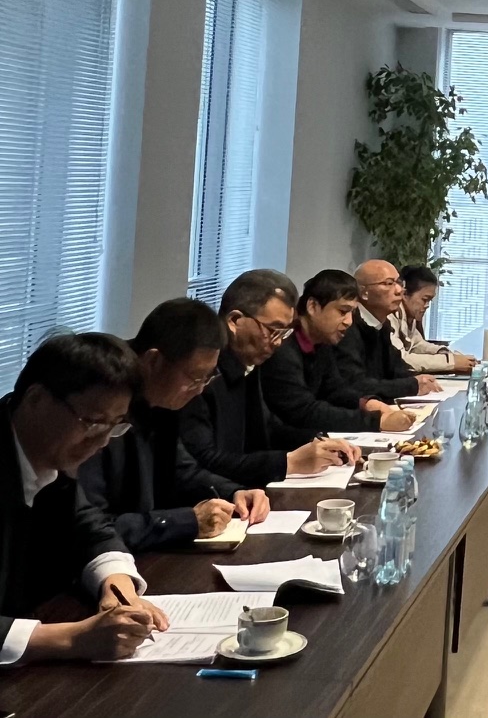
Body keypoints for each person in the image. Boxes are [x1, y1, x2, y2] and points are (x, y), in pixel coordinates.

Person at [2, 332, 170, 663]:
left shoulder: (49, 457)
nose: (103, 441)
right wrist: (70, 639)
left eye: (115, 425)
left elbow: (89, 525)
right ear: (36, 399)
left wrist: (115, 583)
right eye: (93, 423)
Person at [78, 299, 270, 550]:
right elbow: (89, 524)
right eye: (194, 378)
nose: (199, 390)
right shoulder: (99, 401)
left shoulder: (161, 399)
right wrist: (185, 522)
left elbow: (181, 470)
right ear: (153, 361)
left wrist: (234, 492)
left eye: (207, 378)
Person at [179, 269, 359, 487]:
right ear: (235, 320)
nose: (278, 342)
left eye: (285, 332)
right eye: (273, 330)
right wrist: (288, 462)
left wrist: (318, 440)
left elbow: (268, 428)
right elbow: (204, 461)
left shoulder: (247, 363)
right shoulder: (201, 374)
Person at [261, 269, 417, 434]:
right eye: (342, 311)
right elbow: (304, 412)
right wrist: (376, 421)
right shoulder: (282, 349)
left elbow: (335, 391)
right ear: (313, 306)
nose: (349, 321)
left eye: (352, 313)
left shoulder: (322, 342)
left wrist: (367, 403)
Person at [335, 259, 440, 401]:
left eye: (399, 283)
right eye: (389, 283)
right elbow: (356, 384)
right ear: (364, 292)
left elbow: (396, 369)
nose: (399, 290)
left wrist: (420, 380)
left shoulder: (382, 325)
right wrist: (411, 385)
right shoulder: (348, 327)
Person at [393, 265, 478, 374]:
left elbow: (417, 345)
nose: (427, 305)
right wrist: (450, 362)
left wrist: (444, 353)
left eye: (429, 301)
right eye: (424, 299)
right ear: (404, 294)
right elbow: (402, 359)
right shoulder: (389, 317)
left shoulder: (409, 315)